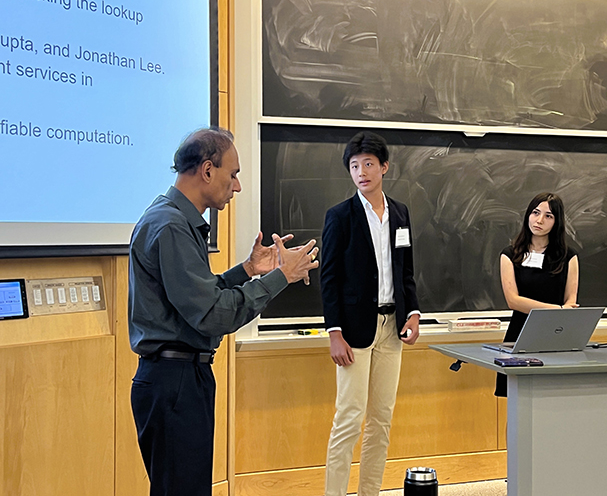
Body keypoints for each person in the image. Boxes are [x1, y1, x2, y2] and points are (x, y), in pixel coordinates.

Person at [128, 126, 319, 496]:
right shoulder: (170, 226)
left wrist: (247, 271)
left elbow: (195, 297)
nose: (237, 186)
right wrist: (282, 276)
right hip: (174, 381)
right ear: (207, 170)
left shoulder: (170, 218)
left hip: (179, 378)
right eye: (233, 175)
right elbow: (214, 314)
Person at [321, 131, 421, 496]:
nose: (361, 172)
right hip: (352, 331)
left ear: (384, 167)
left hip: (392, 326)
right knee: (348, 418)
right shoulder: (340, 216)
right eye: (353, 166)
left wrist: (413, 314)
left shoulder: (400, 213)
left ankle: (370, 492)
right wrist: (334, 331)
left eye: (367, 164)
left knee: (381, 419)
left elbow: (405, 270)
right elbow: (329, 278)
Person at [496, 192, 579, 397]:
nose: (539, 220)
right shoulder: (510, 254)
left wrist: (563, 310)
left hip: (555, 337)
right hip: (520, 335)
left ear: (557, 222)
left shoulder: (568, 257)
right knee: (518, 405)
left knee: (553, 401)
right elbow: (513, 301)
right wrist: (557, 309)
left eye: (548, 216)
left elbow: (571, 301)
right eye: (535, 212)